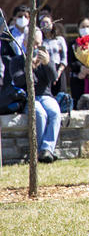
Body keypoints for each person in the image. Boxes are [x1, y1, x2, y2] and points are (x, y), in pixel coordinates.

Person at [10, 29, 61, 163]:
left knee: (55, 112)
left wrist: (48, 64)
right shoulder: (17, 61)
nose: (36, 48)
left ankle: (47, 149)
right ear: (25, 43)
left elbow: (54, 79)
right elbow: (18, 80)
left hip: (46, 96)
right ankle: (39, 152)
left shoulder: (46, 59)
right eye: (33, 44)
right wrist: (30, 66)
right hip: (28, 97)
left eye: (38, 44)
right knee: (39, 114)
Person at [68, 17, 89, 101]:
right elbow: (70, 61)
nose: (85, 29)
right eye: (82, 27)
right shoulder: (73, 44)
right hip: (78, 78)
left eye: (88, 26)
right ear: (78, 28)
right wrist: (81, 68)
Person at [39, 13, 68, 97]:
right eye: (42, 23)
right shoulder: (41, 41)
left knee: (61, 95)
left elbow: (64, 58)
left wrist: (58, 73)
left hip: (58, 69)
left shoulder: (59, 40)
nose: (45, 25)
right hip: (46, 70)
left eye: (47, 23)